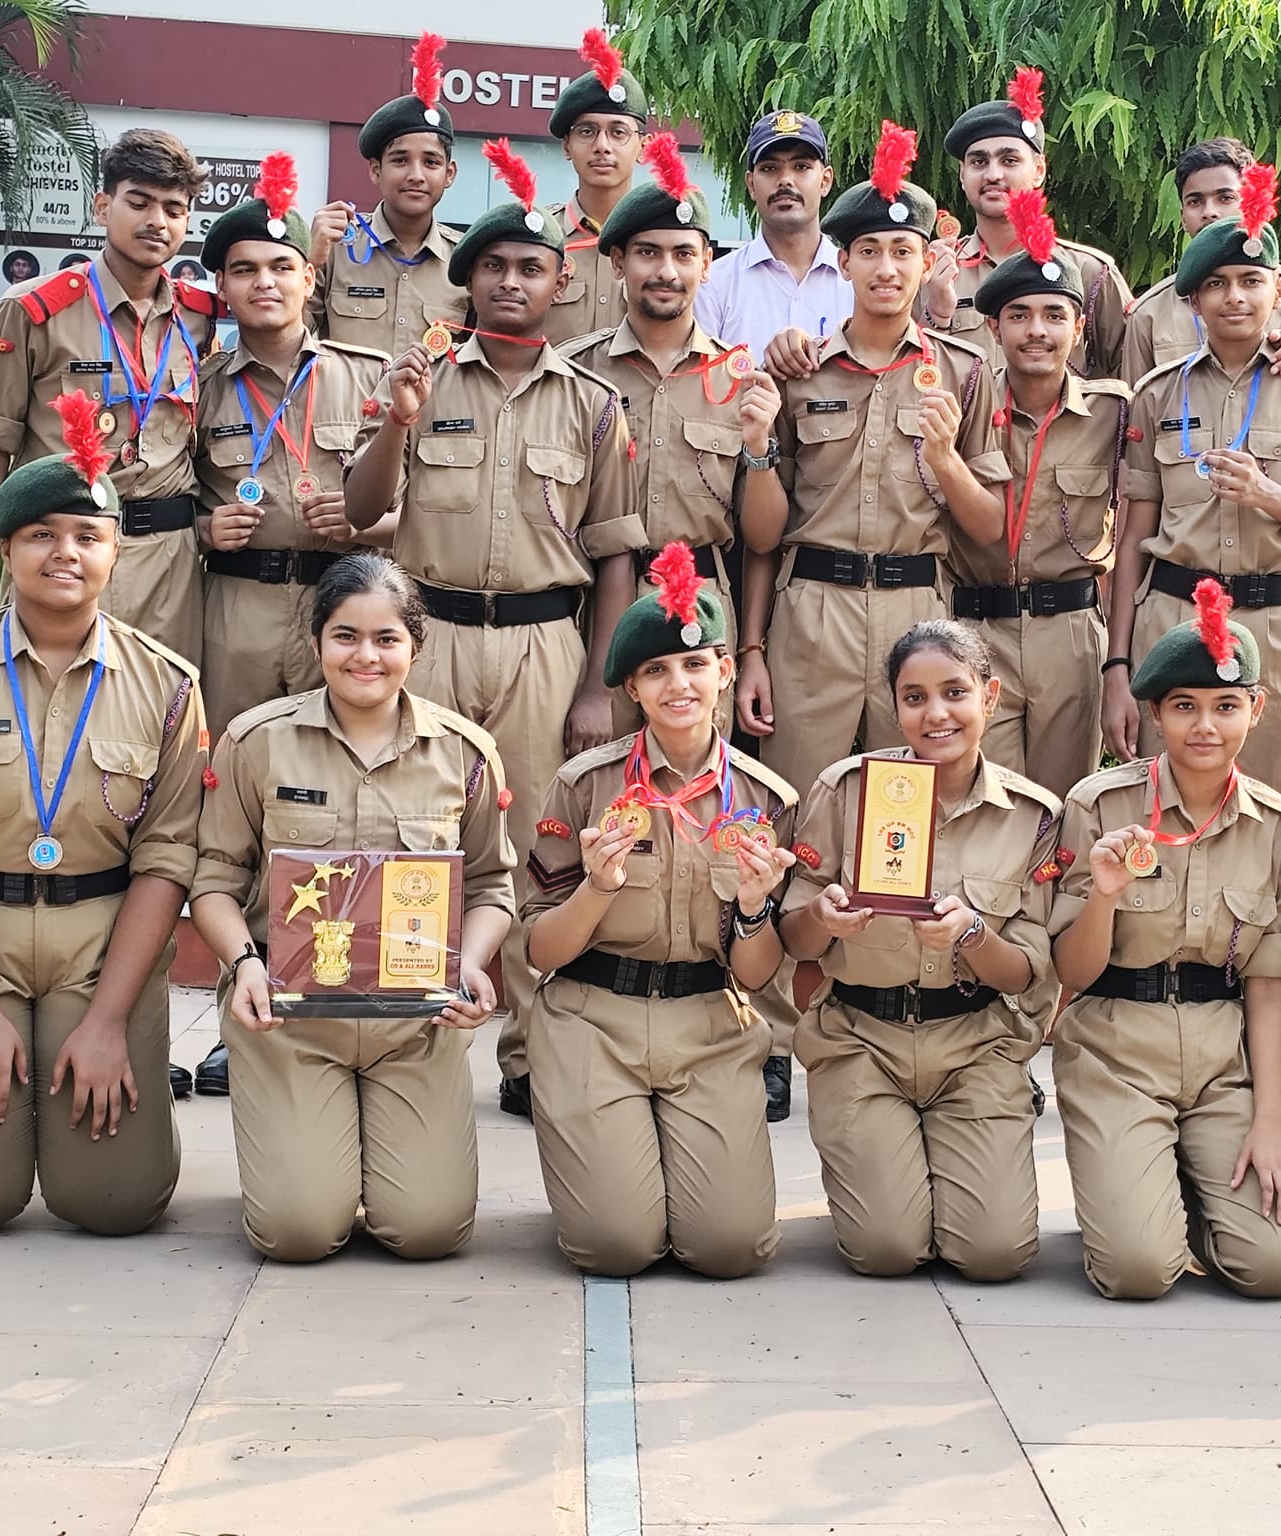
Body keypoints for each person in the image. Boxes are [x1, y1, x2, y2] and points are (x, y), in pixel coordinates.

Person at [343, 138, 642, 1122]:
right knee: (407, 833)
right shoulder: (424, 382)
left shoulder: (595, 404)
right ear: (466, 281)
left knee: (525, 852)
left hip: (543, 648)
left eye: (530, 267)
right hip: (428, 639)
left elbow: (612, 553)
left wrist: (601, 682)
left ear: (562, 282)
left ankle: (523, 1053)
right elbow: (359, 508)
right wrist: (393, 420)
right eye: (493, 267)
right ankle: (399, 1038)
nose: (511, 281)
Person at [0, 395, 203, 1239]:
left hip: (98, 947)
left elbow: (166, 860)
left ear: (114, 553)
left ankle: (81, 1075)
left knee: (114, 1205)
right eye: (41, 536)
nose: (66, 553)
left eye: (87, 537)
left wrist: (106, 1023)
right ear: (5, 550)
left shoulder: (167, 686)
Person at [558, 136, 806, 1121]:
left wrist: (755, 450)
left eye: (683, 255)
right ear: (616, 264)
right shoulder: (578, 375)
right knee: (598, 813)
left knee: (725, 824)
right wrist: (588, 672)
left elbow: (760, 541)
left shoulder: (742, 378)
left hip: (702, 608)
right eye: (646, 254)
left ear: (708, 268)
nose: (665, 271)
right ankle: (559, 1031)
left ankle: (761, 1032)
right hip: (593, 604)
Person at [190, 555, 516, 1262]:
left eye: (386, 639)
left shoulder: (465, 753)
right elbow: (212, 879)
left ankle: (360, 1155)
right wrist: (243, 963)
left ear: (415, 649)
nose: (365, 656)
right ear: (316, 643)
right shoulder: (258, 741)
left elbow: (492, 887)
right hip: (291, 1023)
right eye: (345, 636)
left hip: (414, 1026)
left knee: (429, 1231)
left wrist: (472, 966)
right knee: (299, 1232)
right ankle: (305, 1160)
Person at [181, 158, 399, 1099]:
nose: (263, 283)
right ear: (222, 287)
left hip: (337, 609)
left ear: (312, 277)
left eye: (279, 267)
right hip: (236, 604)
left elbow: (406, 511)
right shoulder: (198, 384)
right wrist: (201, 523)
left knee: (337, 794)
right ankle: (246, 999)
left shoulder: (362, 378)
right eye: (242, 270)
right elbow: (160, 491)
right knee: (245, 804)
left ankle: (336, 990)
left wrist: (365, 524)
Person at [524, 546, 797, 1275]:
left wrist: (750, 908)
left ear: (725, 672)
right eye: (656, 671)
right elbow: (540, 952)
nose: (679, 684)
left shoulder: (767, 801)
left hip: (708, 1025)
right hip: (593, 1021)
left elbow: (759, 974)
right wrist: (599, 887)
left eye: (696, 664)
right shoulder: (585, 787)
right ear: (632, 691)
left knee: (730, 1249)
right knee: (616, 1246)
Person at [1051, 582, 1281, 1300]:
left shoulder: (1280, 829)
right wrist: (1103, 897)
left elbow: (1267, 982)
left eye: (1227, 706)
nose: (1206, 726)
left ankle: (1186, 1195)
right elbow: (1070, 968)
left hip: (1218, 1059)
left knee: (1278, 1269)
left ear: (1257, 709)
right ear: (1157, 714)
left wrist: (1269, 1118)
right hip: (1114, 1049)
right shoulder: (1097, 805)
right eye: (1184, 707)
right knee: (1138, 1272)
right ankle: (1140, 1195)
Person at [779, 620, 1061, 1280]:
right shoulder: (848, 791)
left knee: (994, 1255)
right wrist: (825, 919)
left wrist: (973, 936)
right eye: (914, 697)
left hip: (976, 1045)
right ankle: (879, 1174)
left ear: (990, 698)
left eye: (955, 692)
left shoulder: (1033, 816)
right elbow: (792, 937)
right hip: (861, 1040)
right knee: (886, 1250)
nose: (936, 714)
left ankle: (930, 1166)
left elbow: (1027, 972)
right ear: (893, 705)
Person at [738, 122, 1008, 798]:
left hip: (915, 612)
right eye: (869, 251)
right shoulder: (801, 369)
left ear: (926, 263)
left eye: (902, 251)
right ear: (845, 262)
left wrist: (946, 461)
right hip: (811, 612)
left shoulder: (966, 372)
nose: (886, 268)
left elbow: (989, 528)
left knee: (909, 806)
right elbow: (764, 537)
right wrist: (751, 650)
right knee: (792, 801)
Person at [1105, 169, 1281, 802]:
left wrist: (1268, 495)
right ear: (1193, 303)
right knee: (1158, 802)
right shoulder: (1157, 392)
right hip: (1170, 615)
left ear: (1279, 292)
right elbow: (1133, 536)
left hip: (1269, 617)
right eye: (1215, 286)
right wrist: (1116, 666)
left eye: (1251, 282)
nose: (1234, 298)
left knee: (1269, 807)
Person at [0, 129, 225, 665]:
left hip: (168, 565)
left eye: (174, 209)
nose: (157, 221)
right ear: (103, 206)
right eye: (139, 202)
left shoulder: (199, 315)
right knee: (47, 712)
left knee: (160, 721)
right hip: (64, 554)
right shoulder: (36, 309)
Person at [948, 187, 1128, 798]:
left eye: (1055, 316)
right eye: (1020, 316)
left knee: (1064, 813)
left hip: (1069, 633)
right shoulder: (965, 404)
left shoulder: (1116, 412)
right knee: (979, 806)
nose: (1037, 332)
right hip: (975, 629)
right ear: (993, 326)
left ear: (1080, 328)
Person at [921, 69, 1132, 379]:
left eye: (1009, 160)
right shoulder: (932, 272)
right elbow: (904, 372)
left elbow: (1130, 380)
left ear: (1039, 170)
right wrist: (934, 315)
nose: (993, 174)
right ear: (962, 175)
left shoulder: (1089, 272)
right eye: (979, 162)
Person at [307, 32, 466, 362]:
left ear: (449, 174)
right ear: (375, 171)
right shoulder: (337, 249)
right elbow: (290, 340)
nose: (416, 175)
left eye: (431, 162)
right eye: (400, 160)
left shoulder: (466, 260)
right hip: (347, 414)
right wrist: (310, 262)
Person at [1120, 137, 1281, 384]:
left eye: (1225, 198)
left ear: (1253, 203)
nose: (1209, 212)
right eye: (1195, 201)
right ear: (1183, 217)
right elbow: (1137, 406)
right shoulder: (1148, 313)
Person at [698, 111, 853, 360]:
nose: (785, 181)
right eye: (770, 168)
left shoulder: (857, 283)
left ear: (825, 181)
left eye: (801, 167)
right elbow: (702, 384)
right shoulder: (714, 285)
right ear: (750, 184)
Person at [542, 27, 646, 344]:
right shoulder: (538, 238)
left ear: (643, 146)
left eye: (618, 133)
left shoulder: (660, 241)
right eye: (587, 132)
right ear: (566, 145)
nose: (602, 146)